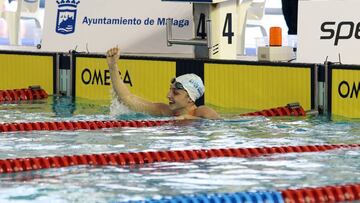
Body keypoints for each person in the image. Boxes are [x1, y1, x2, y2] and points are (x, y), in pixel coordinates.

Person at [106, 46, 220, 119]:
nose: (168, 95)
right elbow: (127, 99)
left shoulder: (203, 112)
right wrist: (112, 66)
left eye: (175, 93)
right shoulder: (165, 111)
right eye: (170, 90)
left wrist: (190, 118)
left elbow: (220, 123)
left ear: (190, 98)